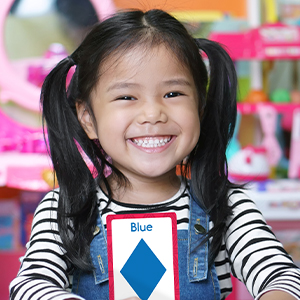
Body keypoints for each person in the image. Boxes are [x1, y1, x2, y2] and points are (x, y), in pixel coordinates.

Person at [9, 9, 300, 300]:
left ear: (199, 106)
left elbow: (285, 277)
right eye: (126, 97)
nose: (152, 114)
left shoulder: (226, 207)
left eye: (173, 94)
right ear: (87, 118)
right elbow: (30, 286)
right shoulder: (64, 209)